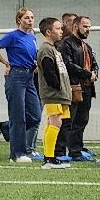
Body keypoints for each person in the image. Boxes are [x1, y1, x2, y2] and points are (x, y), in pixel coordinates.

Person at [0, 7, 40, 163]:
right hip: (16, 76)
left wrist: (35, 63)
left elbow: (31, 54)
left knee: (35, 116)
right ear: (19, 20)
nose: (30, 20)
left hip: (29, 76)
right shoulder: (13, 36)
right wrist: (6, 63)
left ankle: (3, 127)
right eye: (27, 18)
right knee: (18, 117)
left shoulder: (32, 37)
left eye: (32, 17)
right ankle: (17, 155)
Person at [59, 14, 98, 162]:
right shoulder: (66, 44)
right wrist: (88, 74)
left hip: (87, 88)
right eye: (85, 26)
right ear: (76, 26)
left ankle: (76, 151)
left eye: (89, 27)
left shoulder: (87, 46)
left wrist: (95, 73)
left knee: (82, 120)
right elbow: (68, 65)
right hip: (73, 88)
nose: (88, 29)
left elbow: (95, 63)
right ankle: (61, 151)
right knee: (68, 121)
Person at [34, 16, 71, 169]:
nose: (61, 31)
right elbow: (49, 74)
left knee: (56, 123)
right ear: (48, 32)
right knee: (55, 122)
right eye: (57, 28)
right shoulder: (45, 49)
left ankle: (51, 156)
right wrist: (57, 88)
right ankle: (49, 159)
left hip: (60, 94)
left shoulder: (54, 49)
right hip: (53, 94)